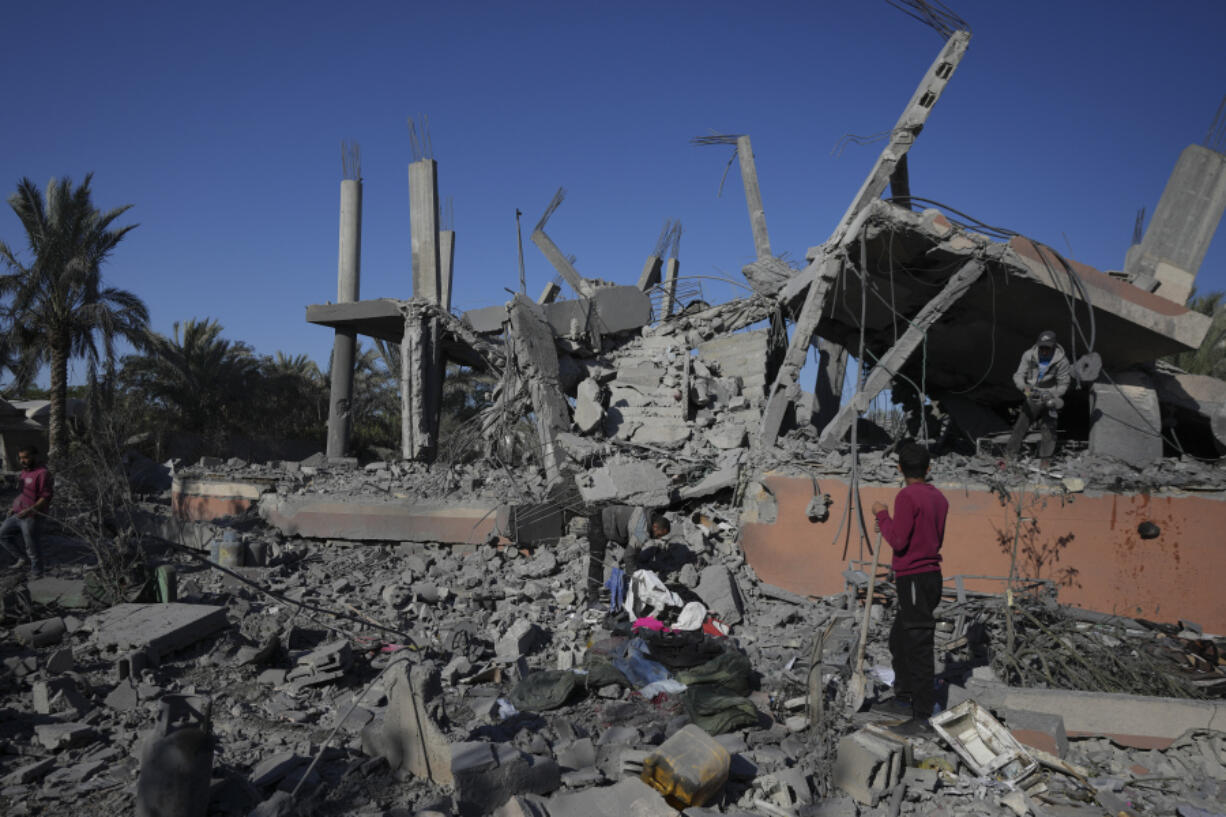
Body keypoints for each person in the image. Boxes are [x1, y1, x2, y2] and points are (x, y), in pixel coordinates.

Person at [871, 442, 948, 736]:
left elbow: (899, 541)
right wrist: (888, 523)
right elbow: (918, 536)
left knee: (917, 647)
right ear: (928, 469)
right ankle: (903, 699)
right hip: (927, 576)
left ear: (900, 469)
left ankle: (922, 716)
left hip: (915, 578)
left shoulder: (906, 496)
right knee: (899, 640)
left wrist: (881, 515)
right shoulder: (938, 498)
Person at [1005, 329, 1071, 467]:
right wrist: (1024, 387)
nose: (1044, 351)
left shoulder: (1062, 362)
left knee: (1049, 428)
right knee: (1021, 425)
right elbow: (1018, 375)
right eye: (1042, 347)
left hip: (1049, 397)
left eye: (1047, 348)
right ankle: (1009, 457)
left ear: (1053, 347)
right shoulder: (1028, 356)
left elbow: (1063, 384)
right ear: (1037, 345)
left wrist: (1053, 396)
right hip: (1032, 394)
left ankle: (1045, 461)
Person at [587, 505, 670, 605]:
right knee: (596, 561)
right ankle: (593, 599)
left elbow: (632, 551)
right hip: (599, 525)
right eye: (659, 534)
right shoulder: (642, 531)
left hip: (610, 522)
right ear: (655, 526)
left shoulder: (648, 515)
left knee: (630, 556)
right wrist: (635, 583)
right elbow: (629, 556)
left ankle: (620, 586)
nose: (659, 538)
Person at [1, 446, 54, 578]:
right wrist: (14, 507)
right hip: (17, 514)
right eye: (20, 458)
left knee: (32, 545)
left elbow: (45, 497)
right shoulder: (24, 473)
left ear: (35, 456)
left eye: (26, 457)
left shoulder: (43, 473)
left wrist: (30, 510)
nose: (22, 460)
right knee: (3, 535)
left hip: (32, 516)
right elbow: (24, 494)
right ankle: (22, 558)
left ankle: (37, 572)